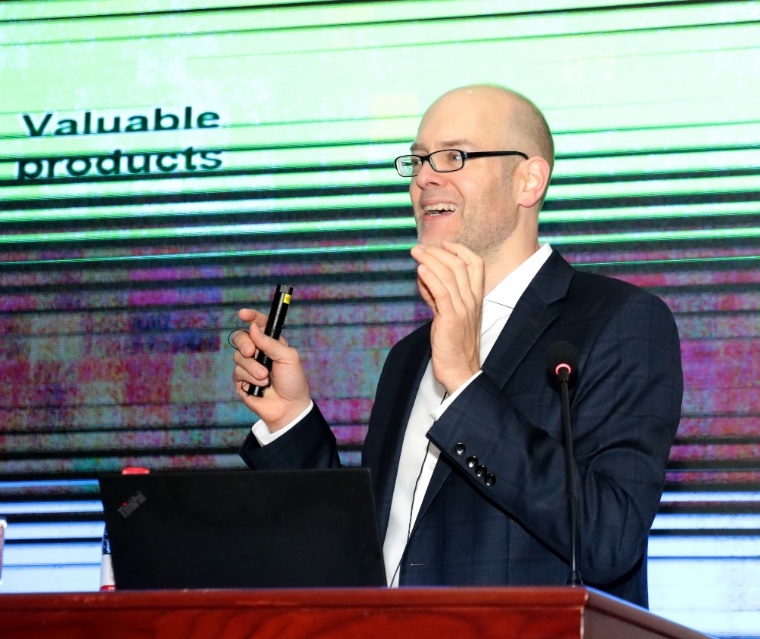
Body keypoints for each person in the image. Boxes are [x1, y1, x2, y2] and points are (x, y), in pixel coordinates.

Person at [230, 84, 683, 607]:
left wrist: (466, 383)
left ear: (529, 180)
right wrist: (290, 420)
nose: (425, 177)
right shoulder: (409, 355)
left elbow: (609, 539)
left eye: (453, 156)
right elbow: (362, 553)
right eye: (419, 159)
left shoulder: (618, 321)